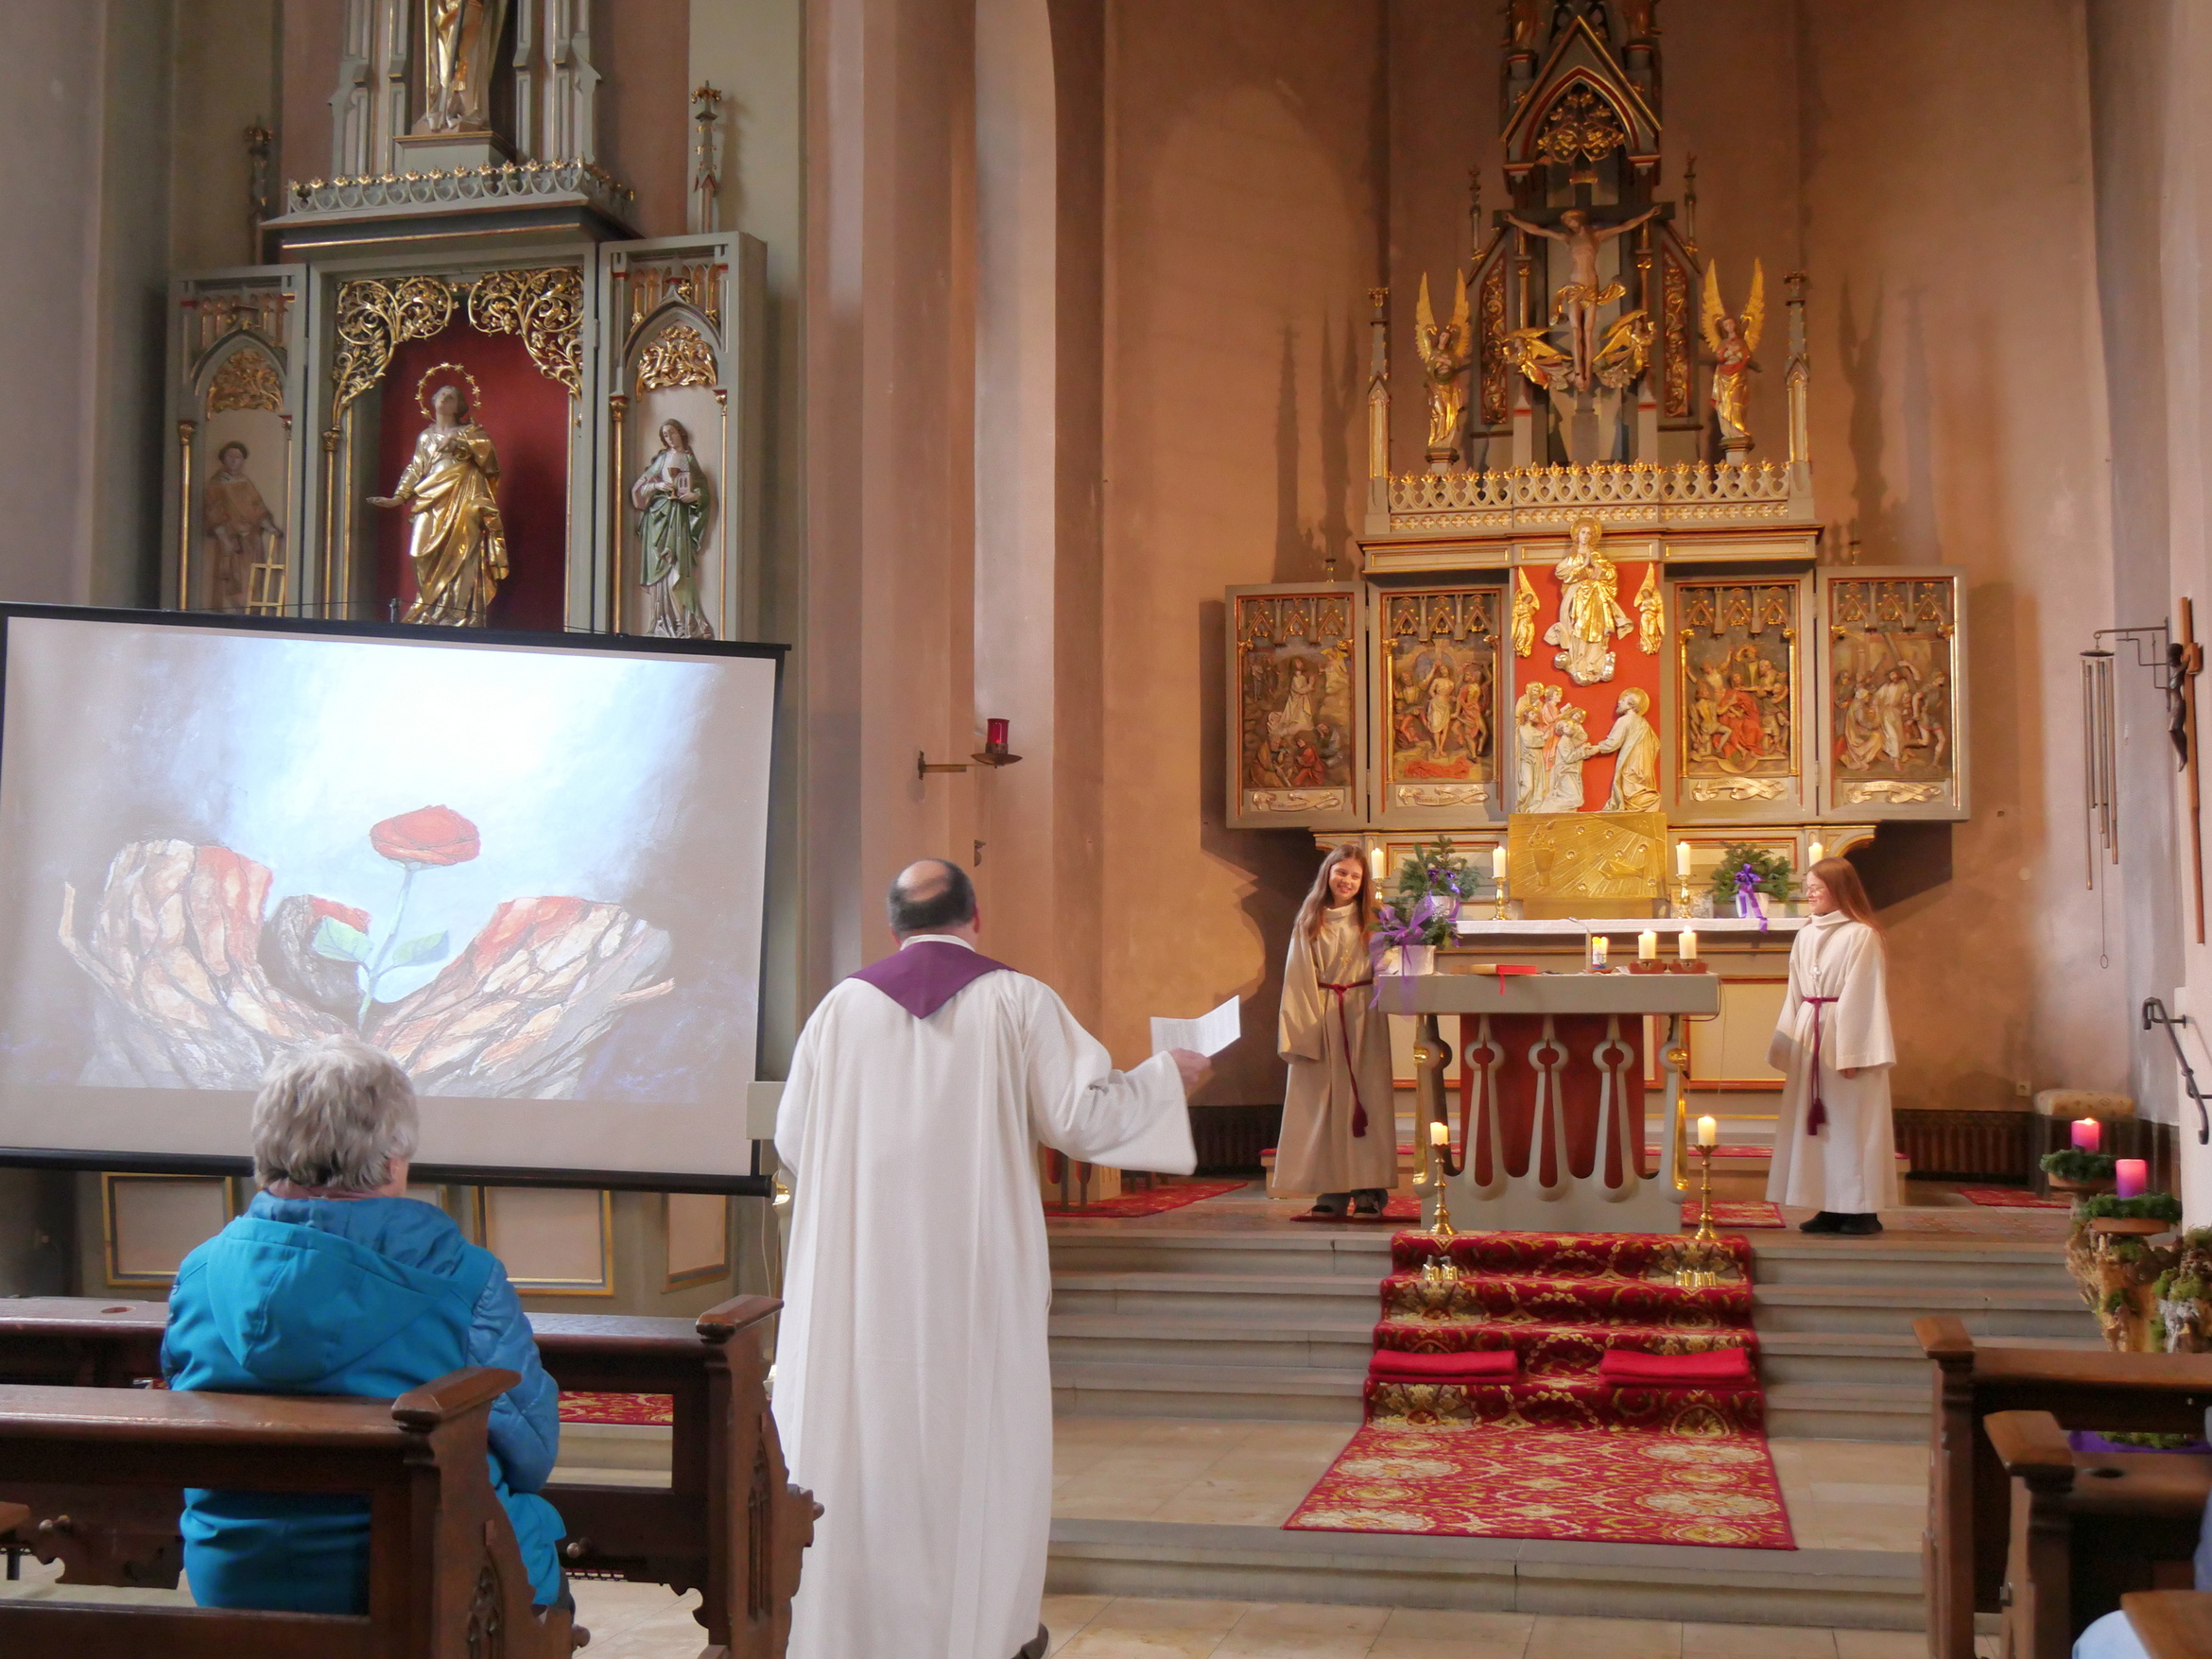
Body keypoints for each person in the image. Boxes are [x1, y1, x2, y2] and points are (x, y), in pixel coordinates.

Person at [773, 859, 1209, 1659]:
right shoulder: (1018, 999)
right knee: (975, 1438)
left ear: (895, 927)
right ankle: (976, 1633)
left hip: (861, 1286)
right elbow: (1080, 1117)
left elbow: (796, 1139)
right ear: (976, 918)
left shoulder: (840, 1009)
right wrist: (1166, 1081)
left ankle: (852, 1630)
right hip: (974, 1282)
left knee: (860, 1435)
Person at [162, 1035, 566, 1616]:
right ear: (395, 1157)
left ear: (264, 1152)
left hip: (235, 1574)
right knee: (536, 1550)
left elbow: (181, 1398)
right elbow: (530, 1452)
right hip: (429, 1577)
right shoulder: (466, 1282)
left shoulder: (199, 1274)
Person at [1765, 857, 1896, 1236]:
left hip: (1844, 1036)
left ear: (1839, 891)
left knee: (1851, 1124)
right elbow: (1795, 992)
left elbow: (1864, 997)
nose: (1809, 894)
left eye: (1817, 888)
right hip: (1811, 1032)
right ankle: (1828, 1205)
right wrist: (1787, 1043)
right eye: (1807, 887)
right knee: (1819, 1129)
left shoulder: (1861, 934)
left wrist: (1854, 1053)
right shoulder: (1805, 933)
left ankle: (1861, 1210)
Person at [1275, 842, 1397, 1218]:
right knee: (1326, 1105)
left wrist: (1393, 969)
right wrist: (1305, 1032)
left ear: (1364, 883)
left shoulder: (1375, 919)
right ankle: (1330, 1189)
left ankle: (1367, 1189)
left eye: (1355, 876)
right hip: (1323, 1015)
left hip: (1364, 1016)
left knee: (1366, 1102)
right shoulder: (1310, 920)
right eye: (1341, 872)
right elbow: (1297, 978)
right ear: (1328, 874)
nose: (1347, 880)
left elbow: (1389, 962)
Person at [370, 383, 509, 627]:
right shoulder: (425, 437)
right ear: (432, 402)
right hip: (431, 497)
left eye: (451, 396)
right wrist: (398, 498)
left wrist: (461, 445)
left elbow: (491, 464)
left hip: (463, 496)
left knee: (463, 553)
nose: (445, 398)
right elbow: (416, 468)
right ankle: (431, 610)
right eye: (441, 394)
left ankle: (456, 614)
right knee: (419, 553)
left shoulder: (473, 432)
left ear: (459, 406)